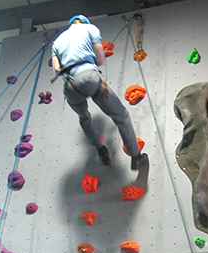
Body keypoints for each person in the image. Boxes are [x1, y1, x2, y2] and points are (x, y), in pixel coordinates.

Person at [52, 15, 147, 170]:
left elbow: (57, 69)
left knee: (84, 118)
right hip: (89, 76)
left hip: (69, 85)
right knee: (121, 115)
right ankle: (136, 157)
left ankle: (101, 150)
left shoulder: (57, 42)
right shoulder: (90, 28)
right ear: (83, 22)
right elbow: (100, 59)